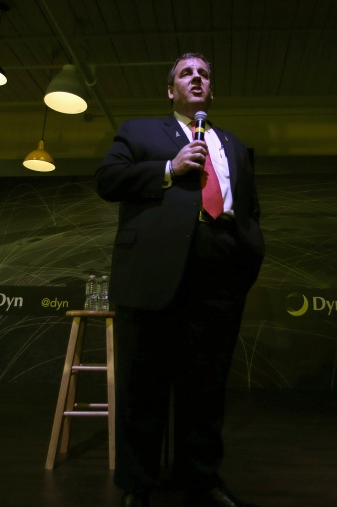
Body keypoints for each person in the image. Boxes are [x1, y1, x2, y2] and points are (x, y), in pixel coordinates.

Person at [95, 52, 265, 507]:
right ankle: (139, 484)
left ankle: (201, 480)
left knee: (206, 388)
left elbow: (250, 210)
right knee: (143, 386)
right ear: (171, 90)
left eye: (204, 74)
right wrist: (168, 169)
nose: (196, 78)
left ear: (212, 91)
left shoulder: (234, 144)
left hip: (219, 276)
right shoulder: (138, 131)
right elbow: (108, 180)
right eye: (186, 73)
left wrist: (246, 254)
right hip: (154, 274)